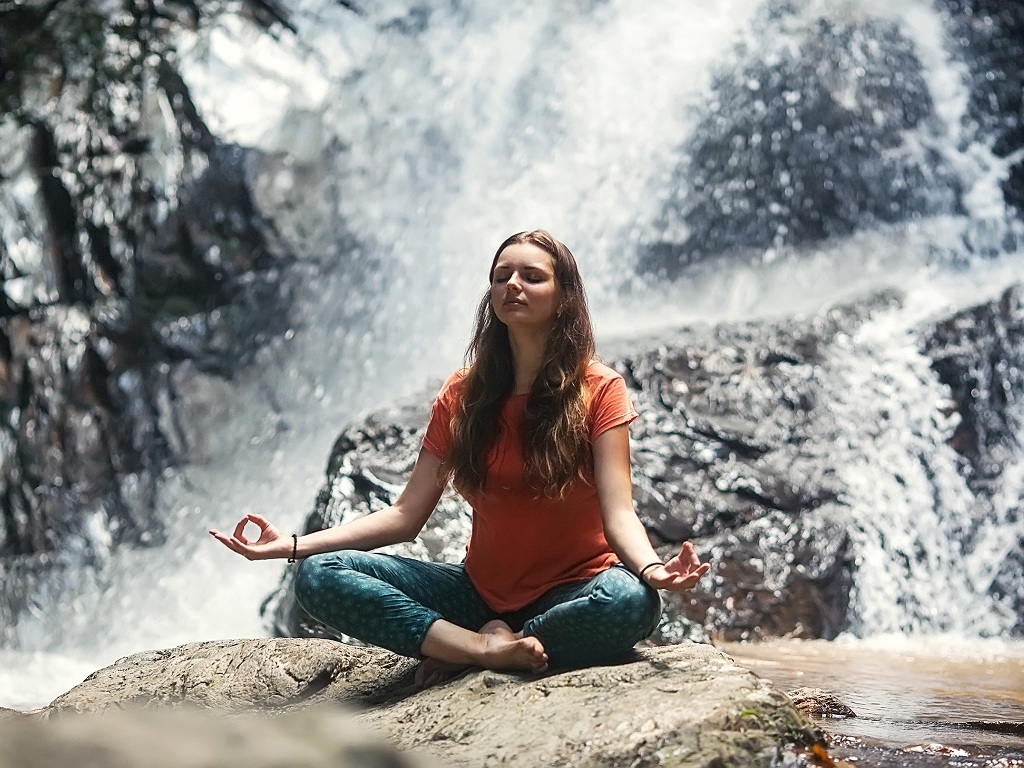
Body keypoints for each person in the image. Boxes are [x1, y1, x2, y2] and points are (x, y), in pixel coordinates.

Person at [210, 230, 710, 687]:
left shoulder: (600, 389)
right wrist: (292, 545)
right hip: (475, 594)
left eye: (532, 277)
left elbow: (619, 512)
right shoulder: (463, 394)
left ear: (564, 298)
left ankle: (500, 640)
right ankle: (478, 647)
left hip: (572, 591)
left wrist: (651, 570)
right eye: (501, 276)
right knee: (320, 574)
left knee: (630, 603)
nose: (513, 284)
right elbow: (406, 517)